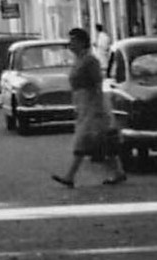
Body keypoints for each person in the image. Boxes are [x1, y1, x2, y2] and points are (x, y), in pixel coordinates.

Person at [53, 26, 126, 188]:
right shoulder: (79, 60)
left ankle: (70, 176)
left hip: (93, 104)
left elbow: (97, 84)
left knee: (82, 140)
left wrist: (98, 106)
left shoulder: (90, 60)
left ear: (81, 42)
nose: (69, 45)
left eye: (72, 41)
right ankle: (118, 172)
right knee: (103, 141)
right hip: (83, 103)